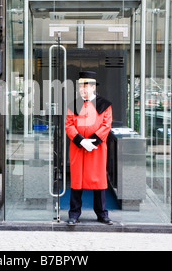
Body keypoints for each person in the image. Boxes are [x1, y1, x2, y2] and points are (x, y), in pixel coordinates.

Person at [65, 71, 113, 226]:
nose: (82, 90)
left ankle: (101, 214)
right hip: (78, 148)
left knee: (98, 181)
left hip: (96, 149)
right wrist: (81, 140)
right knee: (76, 181)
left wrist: (91, 142)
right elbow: (69, 125)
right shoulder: (73, 104)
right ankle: (74, 214)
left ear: (93, 87)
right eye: (80, 87)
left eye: (85, 87)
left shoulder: (105, 105)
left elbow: (106, 125)